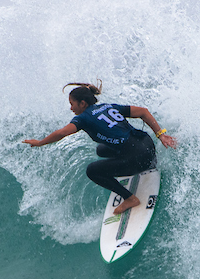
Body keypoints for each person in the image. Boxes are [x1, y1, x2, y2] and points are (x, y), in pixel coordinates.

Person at [22, 82, 178, 215]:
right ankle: (142, 163)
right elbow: (143, 111)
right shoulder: (107, 106)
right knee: (101, 150)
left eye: (72, 104)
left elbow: (62, 132)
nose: (71, 108)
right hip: (147, 145)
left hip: (139, 158)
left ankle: (130, 199)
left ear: (82, 103)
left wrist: (40, 142)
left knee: (92, 171)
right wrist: (161, 135)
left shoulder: (83, 118)